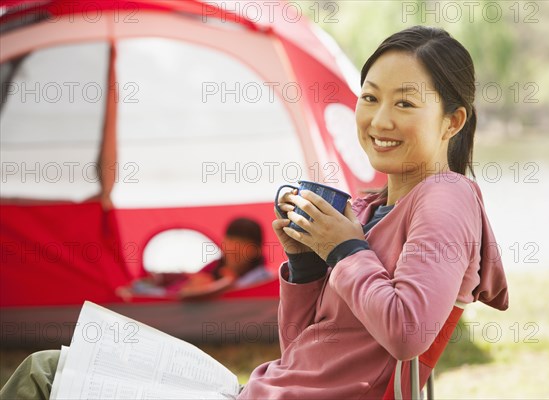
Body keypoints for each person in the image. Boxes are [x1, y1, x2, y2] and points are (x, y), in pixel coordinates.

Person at [0, 26, 508, 400]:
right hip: (264, 390)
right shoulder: (371, 208)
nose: (379, 119)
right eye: (370, 98)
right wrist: (307, 264)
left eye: (405, 104)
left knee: (46, 377)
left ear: (452, 121)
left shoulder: (445, 197)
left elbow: (408, 332)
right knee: (61, 366)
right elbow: (303, 352)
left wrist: (344, 249)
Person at [116, 217, 272, 300]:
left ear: (254, 251)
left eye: (240, 250)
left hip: (181, 299)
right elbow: (190, 280)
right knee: (139, 287)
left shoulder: (260, 278)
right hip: (173, 292)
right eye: (228, 246)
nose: (232, 254)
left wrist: (223, 283)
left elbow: (190, 294)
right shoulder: (216, 266)